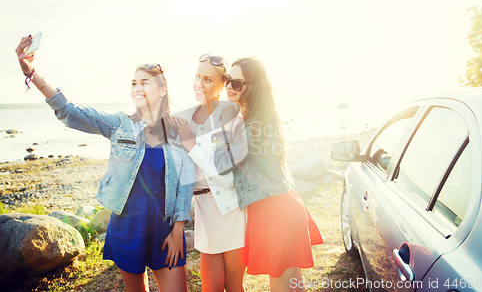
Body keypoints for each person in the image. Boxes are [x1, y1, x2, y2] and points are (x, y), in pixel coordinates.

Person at [15, 35, 196, 292]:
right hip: (127, 225)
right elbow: (70, 112)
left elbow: (185, 183)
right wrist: (32, 73)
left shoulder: (178, 131)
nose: (136, 87)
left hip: (164, 229)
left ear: (163, 89)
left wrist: (178, 231)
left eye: (145, 82)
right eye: (134, 82)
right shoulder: (119, 124)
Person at [213, 57, 323, 292]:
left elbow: (222, 164)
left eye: (237, 83)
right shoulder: (256, 119)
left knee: (282, 286)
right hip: (281, 207)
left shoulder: (252, 127)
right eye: (227, 80)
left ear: (254, 87)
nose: (229, 87)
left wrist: (220, 132)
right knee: (294, 285)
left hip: (275, 214)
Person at [173, 54, 246, 292]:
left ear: (222, 83)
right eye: (197, 76)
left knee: (233, 286)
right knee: (210, 288)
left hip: (230, 209)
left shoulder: (231, 118)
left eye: (207, 79)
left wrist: (191, 145)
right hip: (204, 210)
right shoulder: (183, 118)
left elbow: (224, 177)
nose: (199, 84)